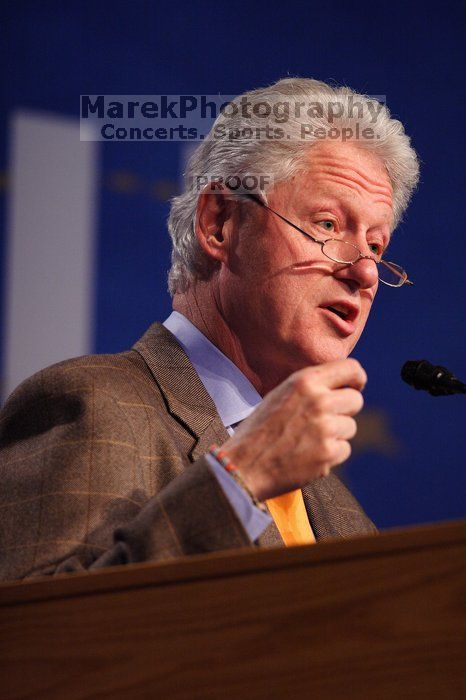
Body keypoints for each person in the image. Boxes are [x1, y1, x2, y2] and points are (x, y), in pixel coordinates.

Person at [0, 78, 419, 581]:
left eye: (375, 245)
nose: (366, 272)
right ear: (219, 223)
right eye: (328, 224)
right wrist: (238, 483)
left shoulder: (341, 512)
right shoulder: (93, 407)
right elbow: (32, 643)